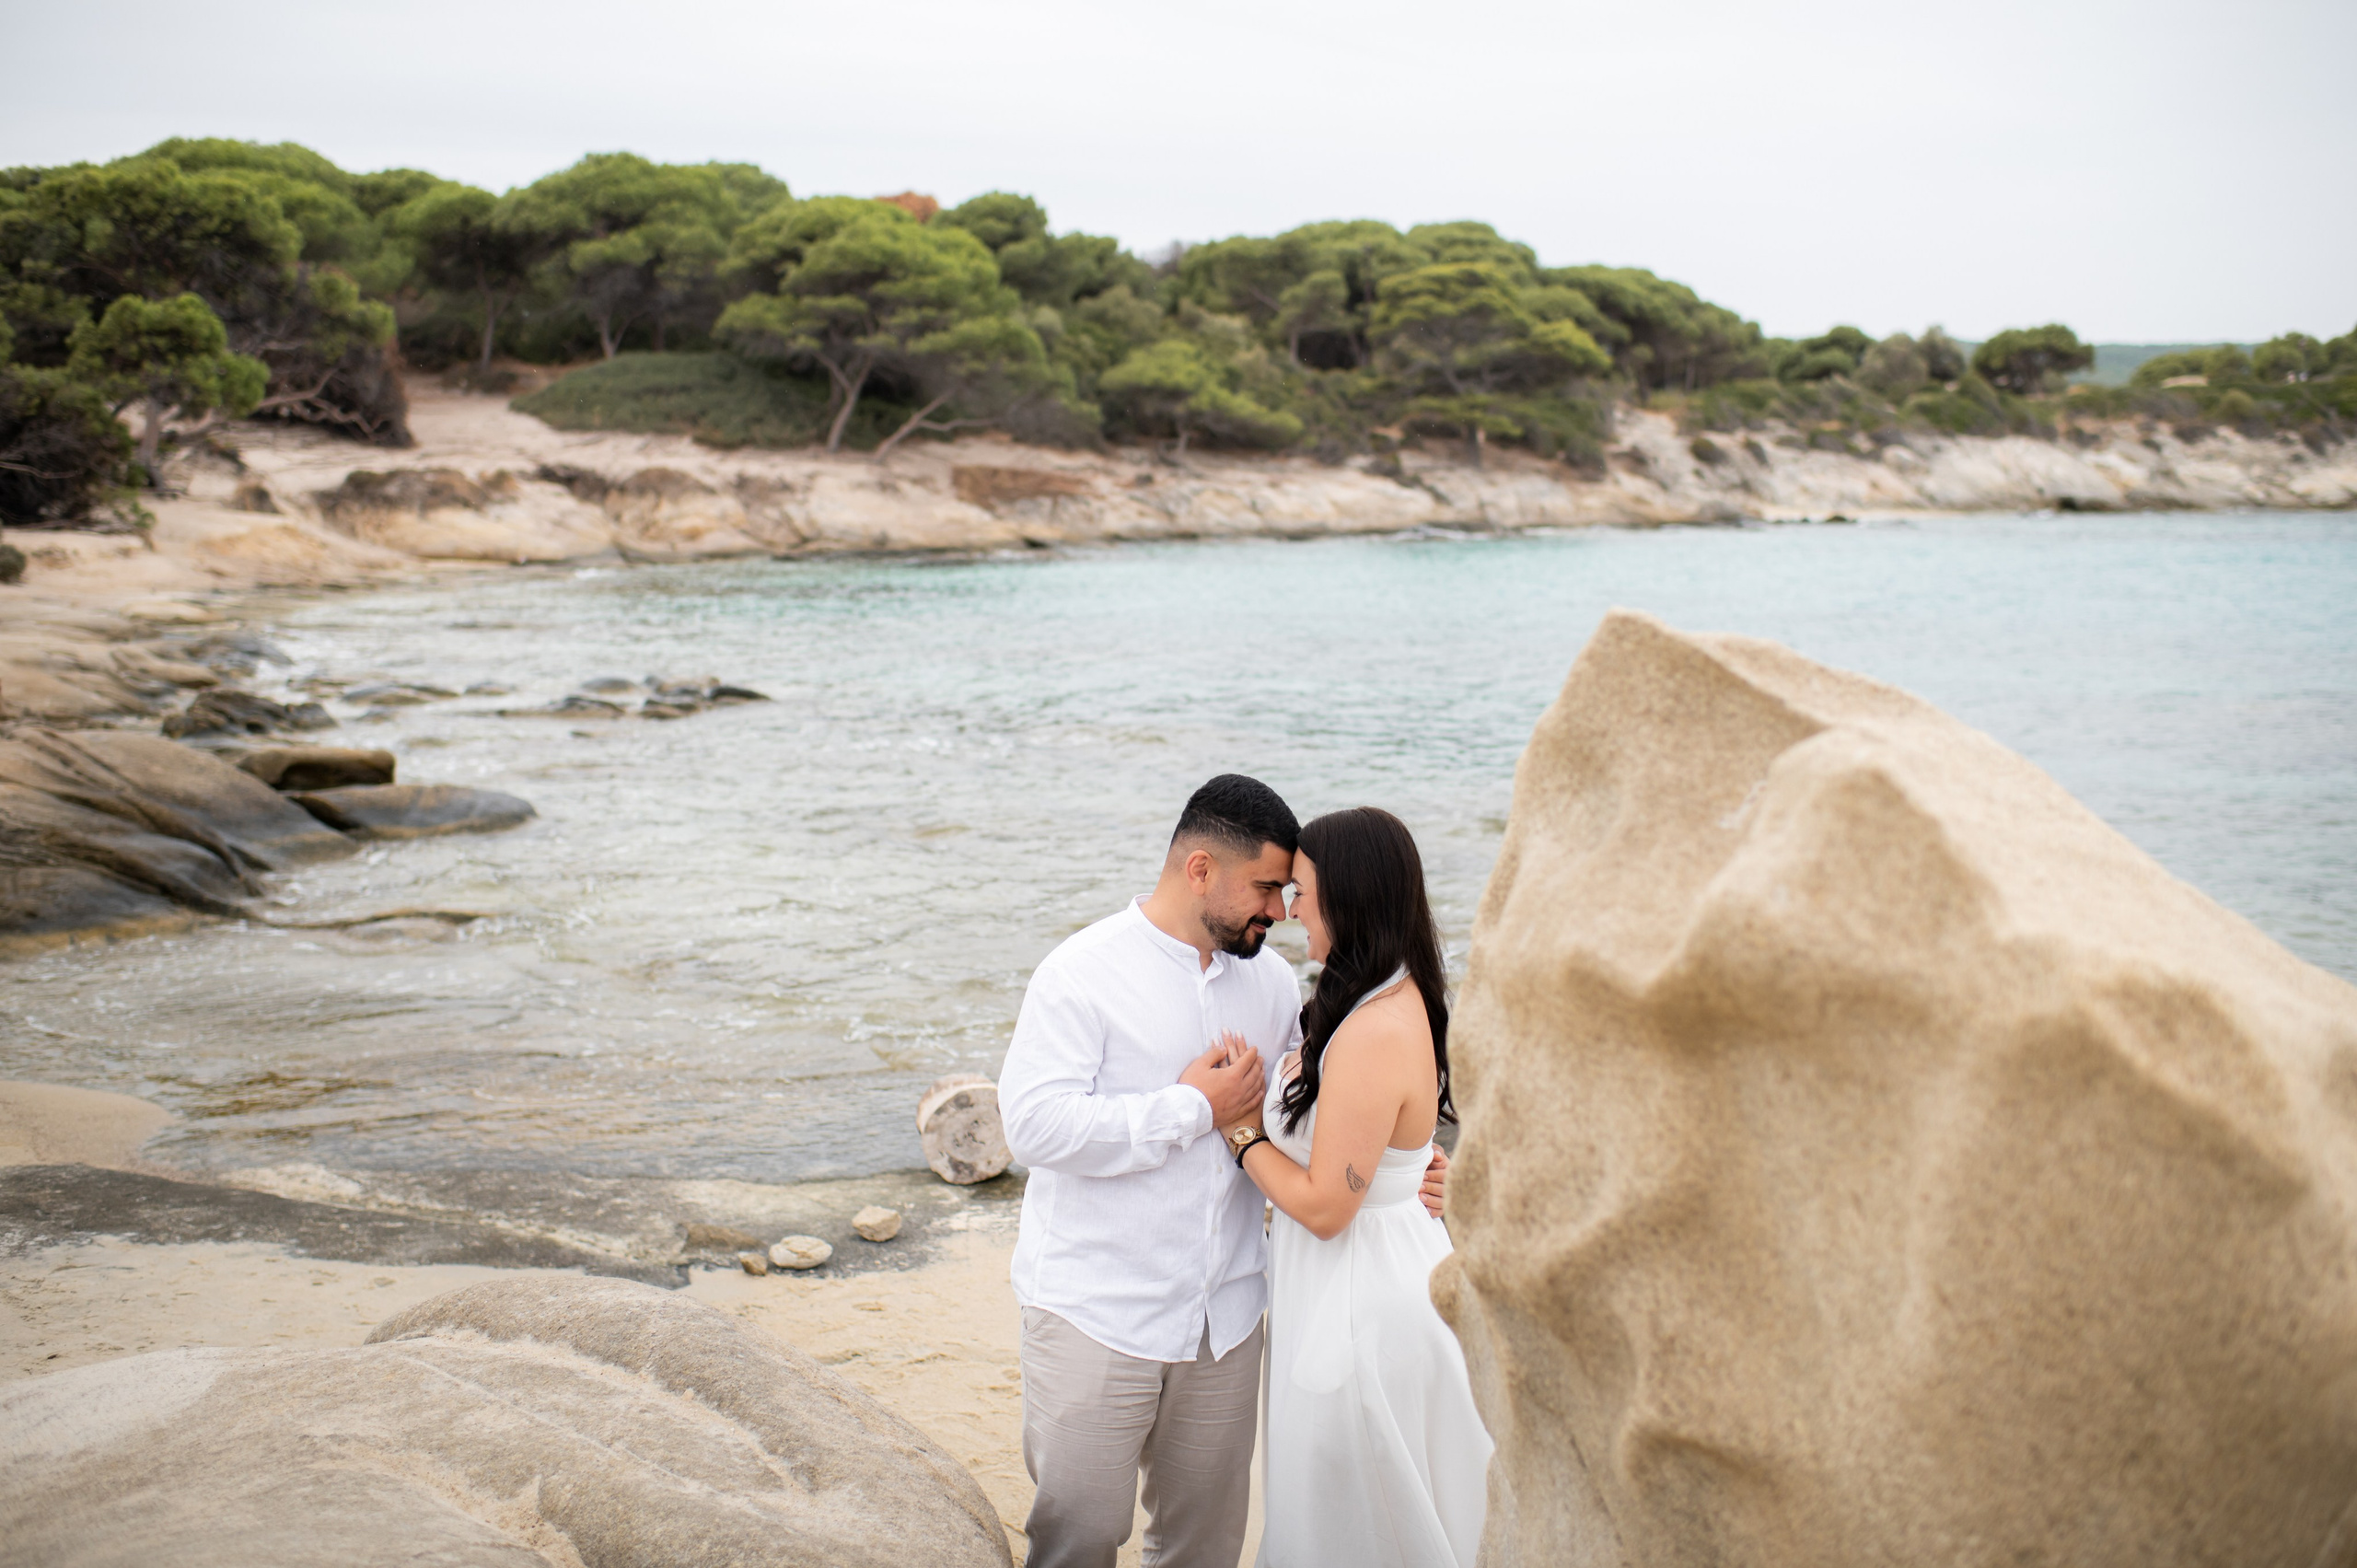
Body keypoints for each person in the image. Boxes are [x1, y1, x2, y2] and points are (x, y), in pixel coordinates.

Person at [998, 776, 1446, 1568]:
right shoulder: (1081, 972)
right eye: (1268, 887)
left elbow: (1319, 1113)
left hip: (1229, 1321)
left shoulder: (1273, 982)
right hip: (1098, 1311)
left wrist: (1405, 1170)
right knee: (1077, 1537)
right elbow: (1033, 1127)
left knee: (1204, 1548)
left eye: (1289, 890)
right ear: (1200, 869)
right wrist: (1187, 1108)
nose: (1279, 910)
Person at [1214, 806, 1491, 1568]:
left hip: (1362, 1297)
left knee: (1356, 1519)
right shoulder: (1378, 994)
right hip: (1362, 1270)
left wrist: (1239, 1131)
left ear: (1350, 894)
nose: (1289, 910)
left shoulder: (1374, 1027)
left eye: (1301, 891)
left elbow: (1328, 1208)